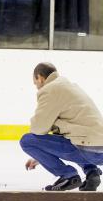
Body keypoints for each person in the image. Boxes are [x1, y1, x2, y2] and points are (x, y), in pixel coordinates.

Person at [20, 63, 103, 191]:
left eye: (35, 82)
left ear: (40, 78)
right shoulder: (69, 85)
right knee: (74, 138)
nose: (36, 87)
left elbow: (38, 128)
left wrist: (40, 152)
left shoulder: (50, 90)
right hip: (99, 150)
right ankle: (92, 173)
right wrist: (39, 157)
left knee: (27, 141)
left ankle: (68, 176)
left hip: (88, 150)